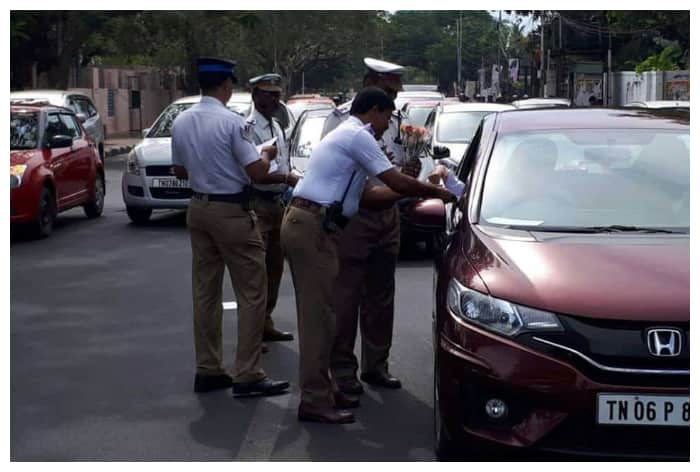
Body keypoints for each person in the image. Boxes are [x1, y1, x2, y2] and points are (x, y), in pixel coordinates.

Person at [282, 86, 456, 424]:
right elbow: (396, 183)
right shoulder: (357, 134)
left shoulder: (352, 136)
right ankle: (315, 399)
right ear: (373, 111)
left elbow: (378, 187)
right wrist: (436, 191)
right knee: (318, 318)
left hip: (319, 224)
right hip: (312, 224)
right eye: (386, 116)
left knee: (328, 314)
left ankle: (326, 387)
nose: (386, 124)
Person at [171, 57, 293, 397]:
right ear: (226, 86)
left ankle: (208, 368)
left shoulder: (181, 121)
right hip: (232, 210)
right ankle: (248, 373)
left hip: (198, 207)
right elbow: (257, 172)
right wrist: (266, 155)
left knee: (205, 293)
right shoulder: (232, 122)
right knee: (253, 292)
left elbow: (180, 171)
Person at [322, 58, 418, 397]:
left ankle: (376, 366)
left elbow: (400, 162)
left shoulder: (397, 119)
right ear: (369, 83)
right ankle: (343, 371)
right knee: (346, 297)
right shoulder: (341, 118)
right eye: (387, 90)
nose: (392, 99)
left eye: (394, 92)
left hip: (388, 213)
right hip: (356, 214)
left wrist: (412, 169)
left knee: (381, 296)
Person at [246, 73, 297, 346]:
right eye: (267, 94)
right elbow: (255, 172)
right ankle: (253, 333)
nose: (273, 99)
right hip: (257, 202)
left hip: (279, 203)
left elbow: (284, 164)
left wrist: (294, 177)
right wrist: (287, 178)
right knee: (256, 272)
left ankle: (266, 321)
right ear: (255, 95)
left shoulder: (277, 125)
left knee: (275, 267)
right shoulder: (247, 126)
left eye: (277, 94)